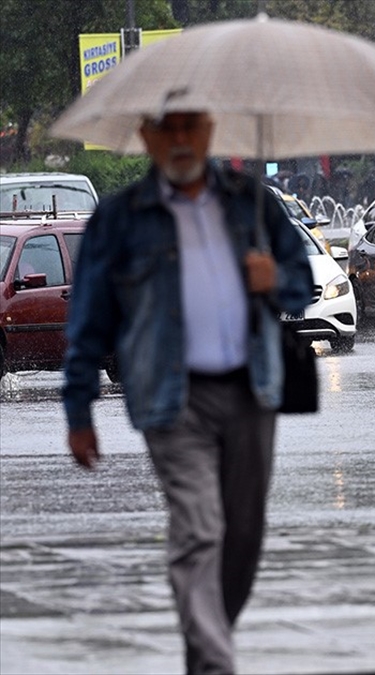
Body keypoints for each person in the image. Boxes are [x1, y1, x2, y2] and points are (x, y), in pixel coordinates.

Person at [61, 111, 314, 675]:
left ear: (209, 130)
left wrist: (276, 280)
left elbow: (303, 283)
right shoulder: (121, 218)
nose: (180, 141)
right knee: (200, 529)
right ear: (145, 137)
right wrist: (78, 409)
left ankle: (205, 649)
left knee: (243, 535)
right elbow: (89, 319)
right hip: (172, 401)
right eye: (165, 129)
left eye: (190, 127)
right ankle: (217, 664)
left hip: (253, 391)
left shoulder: (250, 202)